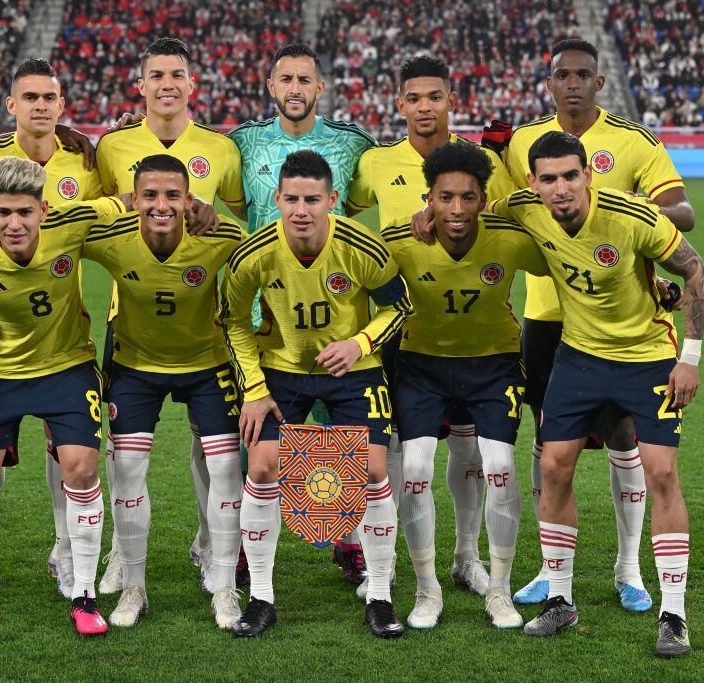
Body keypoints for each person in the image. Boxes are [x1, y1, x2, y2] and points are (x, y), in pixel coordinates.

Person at [492, 131, 704, 658]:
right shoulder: (523, 207)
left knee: (660, 473)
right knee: (553, 467)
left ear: (588, 175)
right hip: (578, 357)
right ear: (533, 183)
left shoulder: (633, 216)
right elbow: (472, 207)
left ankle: (673, 612)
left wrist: (690, 358)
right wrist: (431, 215)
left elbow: (696, 270)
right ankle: (560, 600)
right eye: (549, 178)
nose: (561, 188)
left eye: (571, 175)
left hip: (646, 359)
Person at [503, 38, 695, 609]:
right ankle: (550, 570)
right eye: (562, 75)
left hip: (623, 319)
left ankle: (629, 566)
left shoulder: (633, 141)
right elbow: (500, 207)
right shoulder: (521, 142)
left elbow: (683, 211)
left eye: (583, 74)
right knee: (548, 445)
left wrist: (619, 225)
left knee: (625, 438)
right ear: (549, 81)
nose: (572, 84)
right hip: (547, 315)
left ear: (599, 81)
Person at [220, 150, 412, 638]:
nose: (301, 210)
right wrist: (255, 389)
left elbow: (400, 305)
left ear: (332, 199)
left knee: (372, 469)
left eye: (312, 199)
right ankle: (261, 597)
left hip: (354, 369)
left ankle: (381, 596)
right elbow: (234, 323)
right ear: (277, 199)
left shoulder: (361, 247)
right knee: (261, 467)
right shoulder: (253, 254)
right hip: (281, 370)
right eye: (291, 199)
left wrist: (359, 342)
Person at [348, 55, 518, 606]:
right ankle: (387, 562)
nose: (426, 107)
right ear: (399, 104)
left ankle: (466, 558)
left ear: (451, 100)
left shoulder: (478, 160)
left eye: (436, 97)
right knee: (397, 451)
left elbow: (514, 217)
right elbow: (345, 222)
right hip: (400, 323)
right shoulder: (375, 161)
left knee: (471, 454)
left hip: (474, 330)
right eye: (414, 98)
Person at [0, 157, 125, 635]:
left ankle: (84, 595)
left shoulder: (73, 222)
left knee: (81, 469)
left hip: (68, 367)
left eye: (24, 212)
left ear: (43, 209)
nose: (13, 224)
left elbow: (129, 202)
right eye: (2, 213)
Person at [0, 57, 105, 601]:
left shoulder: (85, 160)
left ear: (61, 105)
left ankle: (66, 549)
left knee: (69, 454)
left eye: (49, 98)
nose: (40, 106)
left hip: (65, 334)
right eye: (29, 97)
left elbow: (125, 201)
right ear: (11, 105)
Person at [95, 36, 245, 594]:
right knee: (122, 451)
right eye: (156, 74)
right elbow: (92, 214)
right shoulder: (110, 147)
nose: (166, 84)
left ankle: (210, 544)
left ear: (191, 84)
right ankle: (119, 552)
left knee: (214, 449)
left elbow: (246, 225)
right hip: (129, 320)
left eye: (176, 74)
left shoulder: (220, 149)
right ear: (141, 85)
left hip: (204, 324)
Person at [228, 42, 377, 587]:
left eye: (304, 80)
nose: (294, 89)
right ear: (272, 87)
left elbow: (368, 196)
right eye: (284, 79)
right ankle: (245, 548)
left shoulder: (353, 143)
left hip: (334, 310)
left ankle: (346, 539)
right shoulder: (241, 142)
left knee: (342, 440)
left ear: (320, 88)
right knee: (256, 437)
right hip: (262, 313)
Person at [382, 140, 545, 629]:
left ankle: (498, 589)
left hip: (492, 365)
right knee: (413, 469)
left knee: (497, 466)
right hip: (421, 365)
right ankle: (426, 589)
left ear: (483, 198)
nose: (456, 209)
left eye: (468, 197)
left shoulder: (510, 238)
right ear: (427, 197)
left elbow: (568, 252)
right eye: (444, 197)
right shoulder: (398, 240)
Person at [81, 153, 246, 629]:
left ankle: (224, 585)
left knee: (224, 469)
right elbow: (57, 230)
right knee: (127, 470)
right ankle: (134, 586)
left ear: (189, 200)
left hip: (207, 366)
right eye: (149, 195)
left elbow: (261, 251)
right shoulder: (113, 238)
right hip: (135, 369)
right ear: (133, 199)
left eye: (173, 195)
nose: (161, 204)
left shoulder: (218, 238)